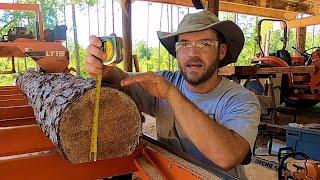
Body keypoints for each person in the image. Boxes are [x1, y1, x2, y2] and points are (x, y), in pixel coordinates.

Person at [85, 10, 260, 179]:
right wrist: (104, 70)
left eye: (204, 44)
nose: (192, 53)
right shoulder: (164, 80)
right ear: (176, 51)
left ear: (221, 51)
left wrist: (171, 94)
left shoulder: (241, 100)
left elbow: (227, 157)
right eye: (184, 44)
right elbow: (122, 78)